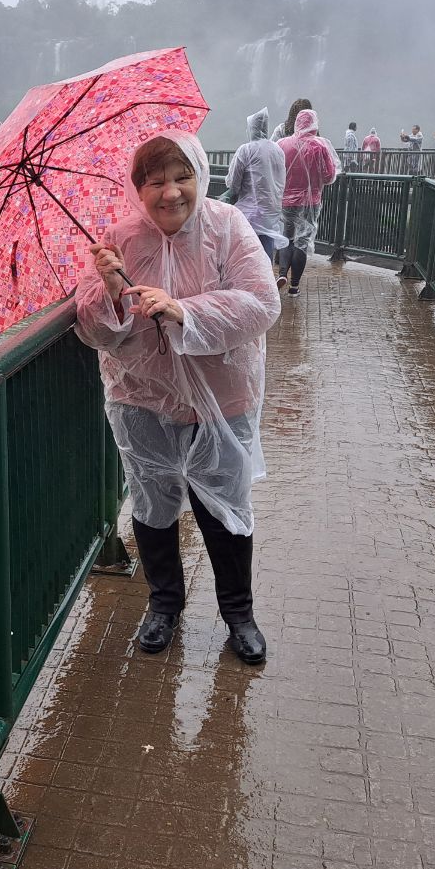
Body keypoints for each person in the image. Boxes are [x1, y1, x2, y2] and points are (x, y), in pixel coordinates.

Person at [75, 131, 280, 662]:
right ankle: (164, 604)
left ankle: (239, 614)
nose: (170, 193)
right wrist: (108, 290)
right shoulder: (117, 240)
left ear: (200, 177)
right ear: (137, 189)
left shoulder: (227, 226)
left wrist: (185, 310)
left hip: (222, 398)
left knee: (225, 507)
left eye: (182, 177)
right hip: (140, 398)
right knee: (152, 504)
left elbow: (262, 302)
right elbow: (94, 332)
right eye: (155, 182)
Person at [277, 109, 338, 296]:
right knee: (302, 242)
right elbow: (329, 177)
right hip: (310, 203)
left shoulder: (282, 144)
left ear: (297, 123)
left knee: (287, 238)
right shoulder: (320, 146)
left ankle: (282, 274)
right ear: (314, 124)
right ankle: (294, 287)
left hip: (286, 200)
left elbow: (275, 172)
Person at [225, 107, 288, 279]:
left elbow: (233, 183)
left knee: (246, 251)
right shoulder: (277, 150)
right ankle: (267, 282)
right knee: (266, 248)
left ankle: (248, 283)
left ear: (251, 128)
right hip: (271, 210)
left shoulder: (246, 150)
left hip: (250, 212)